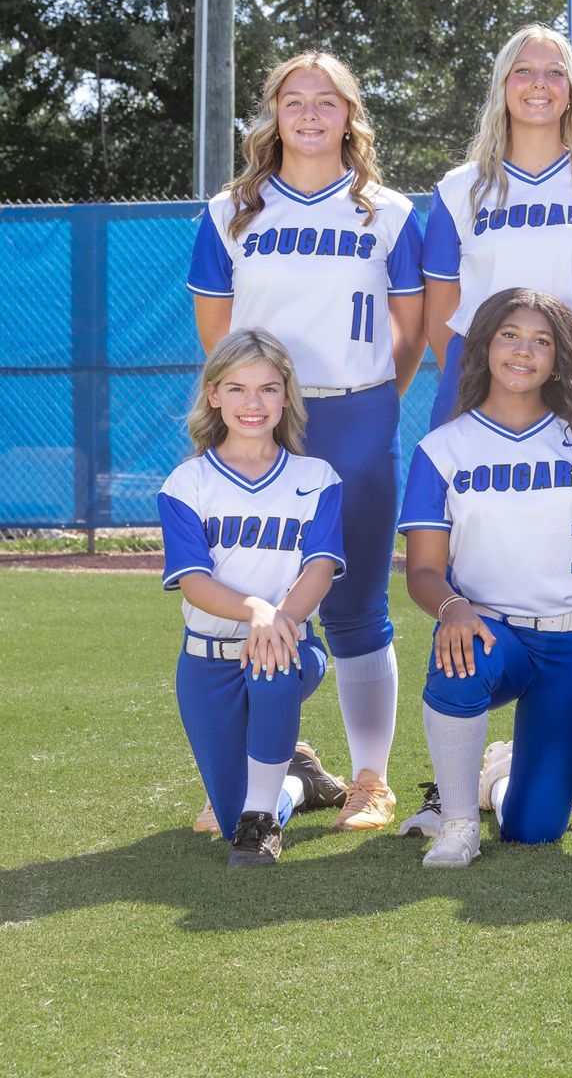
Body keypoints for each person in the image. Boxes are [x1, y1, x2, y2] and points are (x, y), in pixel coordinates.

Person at [416, 23, 572, 836]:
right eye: (524, 70)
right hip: (480, 383)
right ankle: (450, 778)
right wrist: (488, 383)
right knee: (466, 556)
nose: (539, 83)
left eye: (555, 71)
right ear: (502, 85)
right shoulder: (460, 188)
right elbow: (441, 308)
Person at [187, 50, 424, 832]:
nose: (312, 112)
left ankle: (370, 779)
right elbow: (219, 337)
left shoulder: (388, 212)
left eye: (328, 99)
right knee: (248, 601)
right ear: (274, 113)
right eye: (295, 99)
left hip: (356, 415)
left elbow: (411, 328)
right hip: (262, 422)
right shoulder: (230, 211)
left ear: (351, 114)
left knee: (355, 607)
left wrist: (371, 394)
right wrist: (251, 408)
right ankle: (259, 770)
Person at [397, 289, 572, 867]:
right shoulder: (442, 448)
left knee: (534, 830)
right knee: (457, 653)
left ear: (560, 359)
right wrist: (453, 607)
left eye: (541, 341)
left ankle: (500, 778)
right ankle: (458, 823)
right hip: (492, 633)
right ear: (483, 346)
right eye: (509, 335)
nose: (523, 351)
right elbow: (424, 569)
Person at [158, 329, 353, 865]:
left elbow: (319, 568)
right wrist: (258, 612)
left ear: (286, 396)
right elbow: (194, 582)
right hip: (208, 659)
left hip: (293, 644)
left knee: (272, 669)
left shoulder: (317, 478)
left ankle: (264, 819)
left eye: (268, 388)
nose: (254, 402)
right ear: (213, 395)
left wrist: (278, 622)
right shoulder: (187, 482)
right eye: (237, 388)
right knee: (230, 817)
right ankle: (296, 781)